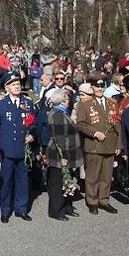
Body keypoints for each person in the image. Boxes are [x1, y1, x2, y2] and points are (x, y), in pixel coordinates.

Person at [0, 73, 37, 222]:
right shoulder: (1, 104)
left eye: (18, 83)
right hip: (7, 149)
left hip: (23, 149)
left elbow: (34, 124)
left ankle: (21, 209)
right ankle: (5, 210)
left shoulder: (28, 103)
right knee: (6, 181)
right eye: (13, 84)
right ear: (7, 87)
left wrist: (32, 134)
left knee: (22, 180)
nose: (17, 86)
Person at [75, 78, 121, 214]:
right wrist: (94, 132)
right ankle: (92, 201)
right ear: (92, 88)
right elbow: (80, 124)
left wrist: (119, 144)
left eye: (102, 87)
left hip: (110, 144)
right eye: (97, 87)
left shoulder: (112, 102)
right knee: (93, 175)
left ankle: (104, 200)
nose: (100, 89)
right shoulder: (84, 104)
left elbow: (118, 124)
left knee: (107, 175)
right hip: (94, 144)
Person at [46, 89, 83, 220]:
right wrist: (64, 157)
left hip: (66, 152)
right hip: (58, 154)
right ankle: (56, 210)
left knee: (67, 182)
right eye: (67, 99)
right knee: (57, 184)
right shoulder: (57, 115)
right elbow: (59, 138)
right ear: (61, 101)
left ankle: (67, 206)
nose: (69, 101)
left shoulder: (61, 113)